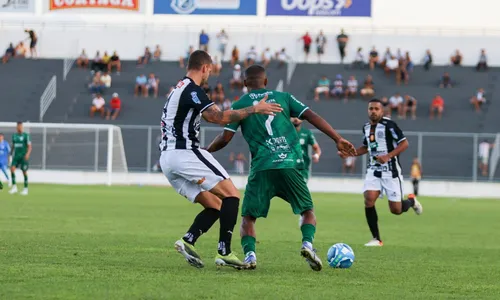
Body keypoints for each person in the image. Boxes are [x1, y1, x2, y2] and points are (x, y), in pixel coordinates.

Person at [205, 65, 356, 270]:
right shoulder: (284, 97)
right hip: (289, 165)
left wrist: (206, 151)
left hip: (261, 168)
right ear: (266, 81)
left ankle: (250, 256)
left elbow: (225, 138)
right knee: (307, 211)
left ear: (244, 83)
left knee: (249, 217)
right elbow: (312, 116)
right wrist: (337, 139)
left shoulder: (240, 105)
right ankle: (307, 244)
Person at [159, 51, 282, 270]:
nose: (210, 75)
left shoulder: (178, 89)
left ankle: (188, 240)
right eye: (211, 69)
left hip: (168, 160)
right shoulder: (191, 89)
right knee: (232, 195)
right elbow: (217, 117)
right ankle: (224, 251)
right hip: (183, 152)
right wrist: (254, 109)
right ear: (205, 68)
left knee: (216, 205)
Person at [338, 99, 423, 247]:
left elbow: (404, 143)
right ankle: (376, 238)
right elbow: (366, 147)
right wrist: (351, 154)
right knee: (369, 198)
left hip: (391, 172)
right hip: (374, 169)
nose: (373, 111)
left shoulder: (389, 125)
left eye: (377, 109)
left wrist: (388, 156)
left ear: (382, 111)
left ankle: (411, 201)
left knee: (396, 210)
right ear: (368, 110)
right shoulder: (365, 127)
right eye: (371, 109)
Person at [291, 117, 321, 182]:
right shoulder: (284, 133)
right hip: (289, 166)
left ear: (302, 119)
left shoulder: (307, 133)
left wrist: (317, 155)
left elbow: (316, 148)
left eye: (298, 117)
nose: (296, 119)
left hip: (303, 166)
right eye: (293, 117)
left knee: (301, 189)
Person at [9, 122, 32, 195]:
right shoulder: (14, 136)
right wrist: (10, 153)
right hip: (16, 156)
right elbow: (13, 145)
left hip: (23, 157)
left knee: (24, 171)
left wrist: (27, 154)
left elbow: (29, 146)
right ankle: (14, 187)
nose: (19, 127)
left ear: (22, 127)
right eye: (18, 126)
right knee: (12, 169)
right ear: (17, 127)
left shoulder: (26, 136)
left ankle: (25, 189)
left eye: (20, 126)